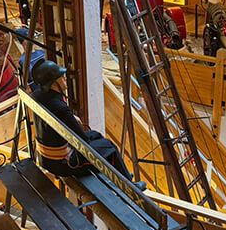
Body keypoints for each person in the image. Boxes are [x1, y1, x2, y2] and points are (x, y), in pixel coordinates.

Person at [29, 58, 143, 188]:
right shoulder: (61, 109)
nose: (65, 78)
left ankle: (121, 172)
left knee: (95, 134)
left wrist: (70, 117)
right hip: (64, 164)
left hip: (46, 159)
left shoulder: (38, 95)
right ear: (53, 83)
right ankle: (130, 186)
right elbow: (83, 141)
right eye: (61, 77)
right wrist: (70, 118)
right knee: (110, 148)